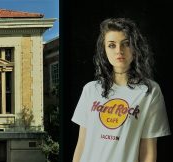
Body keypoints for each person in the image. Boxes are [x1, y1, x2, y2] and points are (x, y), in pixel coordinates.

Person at [72, 18, 170, 162]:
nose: (119, 51)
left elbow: (148, 152)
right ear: (104, 50)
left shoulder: (149, 91)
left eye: (126, 44)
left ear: (135, 48)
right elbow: (81, 144)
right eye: (112, 45)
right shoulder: (90, 90)